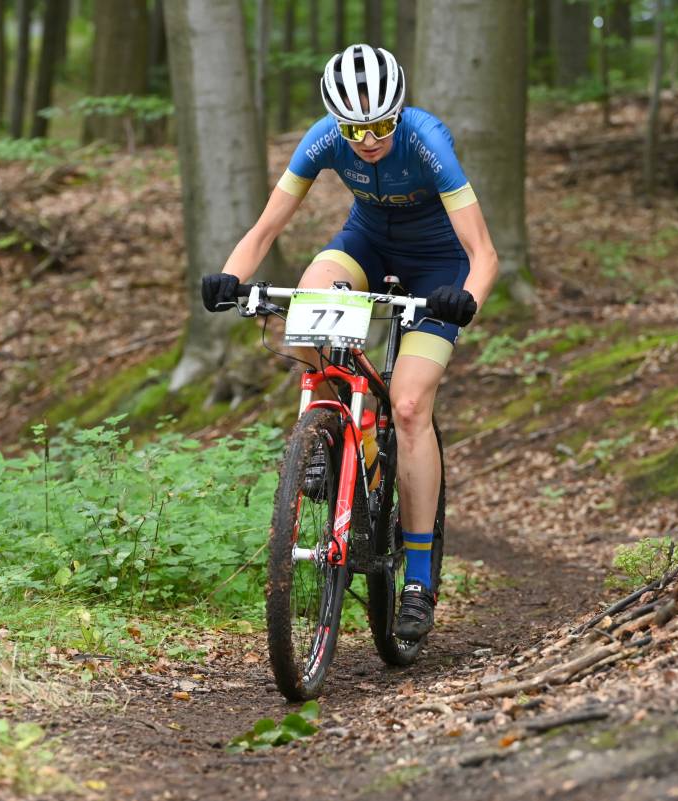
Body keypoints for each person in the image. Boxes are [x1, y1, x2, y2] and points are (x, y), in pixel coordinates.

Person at [201, 43, 498, 639]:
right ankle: (338, 442)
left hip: (438, 267)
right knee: (304, 315)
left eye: (380, 126)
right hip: (366, 245)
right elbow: (265, 228)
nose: (366, 141)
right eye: (353, 129)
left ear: (399, 113)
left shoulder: (426, 140)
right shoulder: (322, 139)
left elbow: (484, 254)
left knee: (409, 406)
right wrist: (229, 277)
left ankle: (418, 581)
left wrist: (465, 298)